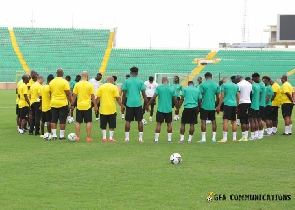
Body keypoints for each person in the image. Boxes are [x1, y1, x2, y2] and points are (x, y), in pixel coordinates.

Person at [145, 77, 177, 143]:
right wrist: (177, 108)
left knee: (158, 124)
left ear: (162, 81)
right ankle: (169, 140)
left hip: (160, 109)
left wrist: (147, 105)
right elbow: (175, 99)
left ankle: (156, 140)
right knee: (169, 124)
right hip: (168, 109)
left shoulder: (159, 88)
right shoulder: (171, 88)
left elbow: (153, 97)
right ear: (168, 81)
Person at [121, 66, 148, 143]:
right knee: (139, 120)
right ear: (137, 73)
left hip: (129, 103)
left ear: (130, 72)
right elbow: (144, 95)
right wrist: (147, 104)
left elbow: (124, 94)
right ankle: (140, 139)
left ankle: (126, 138)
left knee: (128, 121)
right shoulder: (140, 81)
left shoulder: (126, 81)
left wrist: (123, 105)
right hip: (138, 103)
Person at [96, 76, 125, 142]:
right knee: (112, 124)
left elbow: (98, 98)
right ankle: (110, 138)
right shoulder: (114, 87)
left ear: (107, 80)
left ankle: (104, 138)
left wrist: (96, 106)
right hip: (111, 108)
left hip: (103, 108)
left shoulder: (101, 87)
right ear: (112, 80)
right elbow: (117, 98)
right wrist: (121, 105)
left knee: (103, 124)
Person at [72, 71, 97, 142]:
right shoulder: (90, 85)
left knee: (78, 122)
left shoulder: (77, 84)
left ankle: (77, 137)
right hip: (87, 105)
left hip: (79, 105)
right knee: (88, 121)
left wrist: (72, 104)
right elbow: (92, 96)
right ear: (87, 76)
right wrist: (95, 105)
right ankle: (88, 137)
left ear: (81, 76)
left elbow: (74, 96)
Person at [49, 68, 72, 140]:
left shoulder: (51, 82)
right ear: (62, 73)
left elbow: (50, 93)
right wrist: (71, 102)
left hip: (53, 103)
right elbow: (68, 93)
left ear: (56, 73)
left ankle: (54, 135)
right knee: (62, 120)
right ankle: (61, 136)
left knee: (54, 119)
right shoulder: (65, 82)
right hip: (62, 103)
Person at [216, 78, 240, 142]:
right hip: (234, 104)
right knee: (234, 121)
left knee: (225, 121)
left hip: (227, 104)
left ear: (224, 81)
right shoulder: (236, 85)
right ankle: (234, 138)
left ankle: (225, 138)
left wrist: (219, 105)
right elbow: (238, 97)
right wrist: (237, 105)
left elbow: (222, 96)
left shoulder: (224, 85)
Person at [198, 72, 220, 142]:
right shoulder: (216, 85)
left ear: (205, 77)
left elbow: (200, 96)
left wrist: (200, 105)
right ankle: (214, 138)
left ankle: (204, 138)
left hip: (204, 105)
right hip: (212, 105)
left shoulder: (202, 85)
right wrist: (217, 105)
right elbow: (217, 97)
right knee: (213, 121)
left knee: (203, 121)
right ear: (211, 77)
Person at [236, 75, 252, 141]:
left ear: (238, 79)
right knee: (247, 120)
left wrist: (237, 104)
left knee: (242, 120)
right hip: (248, 101)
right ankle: (246, 136)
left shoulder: (238, 84)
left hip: (242, 102)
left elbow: (238, 95)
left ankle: (243, 137)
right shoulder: (249, 84)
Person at [248, 73, 261, 140]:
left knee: (252, 120)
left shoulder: (252, 86)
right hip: (257, 105)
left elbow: (250, 95)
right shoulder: (258, 85)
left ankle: (252, 136)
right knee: (256, 120)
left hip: (252, 105)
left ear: (253, 78)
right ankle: (257, 135)